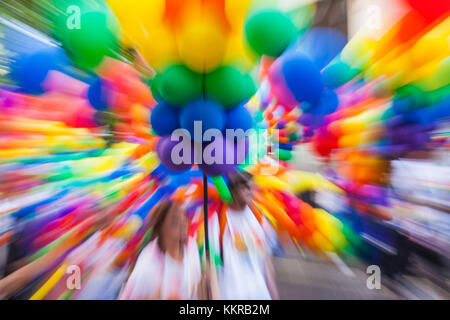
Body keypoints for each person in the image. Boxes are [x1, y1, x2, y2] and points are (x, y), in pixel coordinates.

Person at [119, 199, 210, 300]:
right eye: (175, 219)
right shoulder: (148, 265)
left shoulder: (192, 248)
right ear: (161, 226)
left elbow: (196, 287)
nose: (183, 222)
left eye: (184, 216)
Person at [218, 171, 279, 300]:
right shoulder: (218, 219)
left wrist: (274, 295)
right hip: (230, 295)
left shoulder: (258, 217)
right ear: (232, 190)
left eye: (251, 186)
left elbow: (266, 261)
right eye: (244, 187)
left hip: (260, 294)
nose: (250, 191)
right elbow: (212, 266)